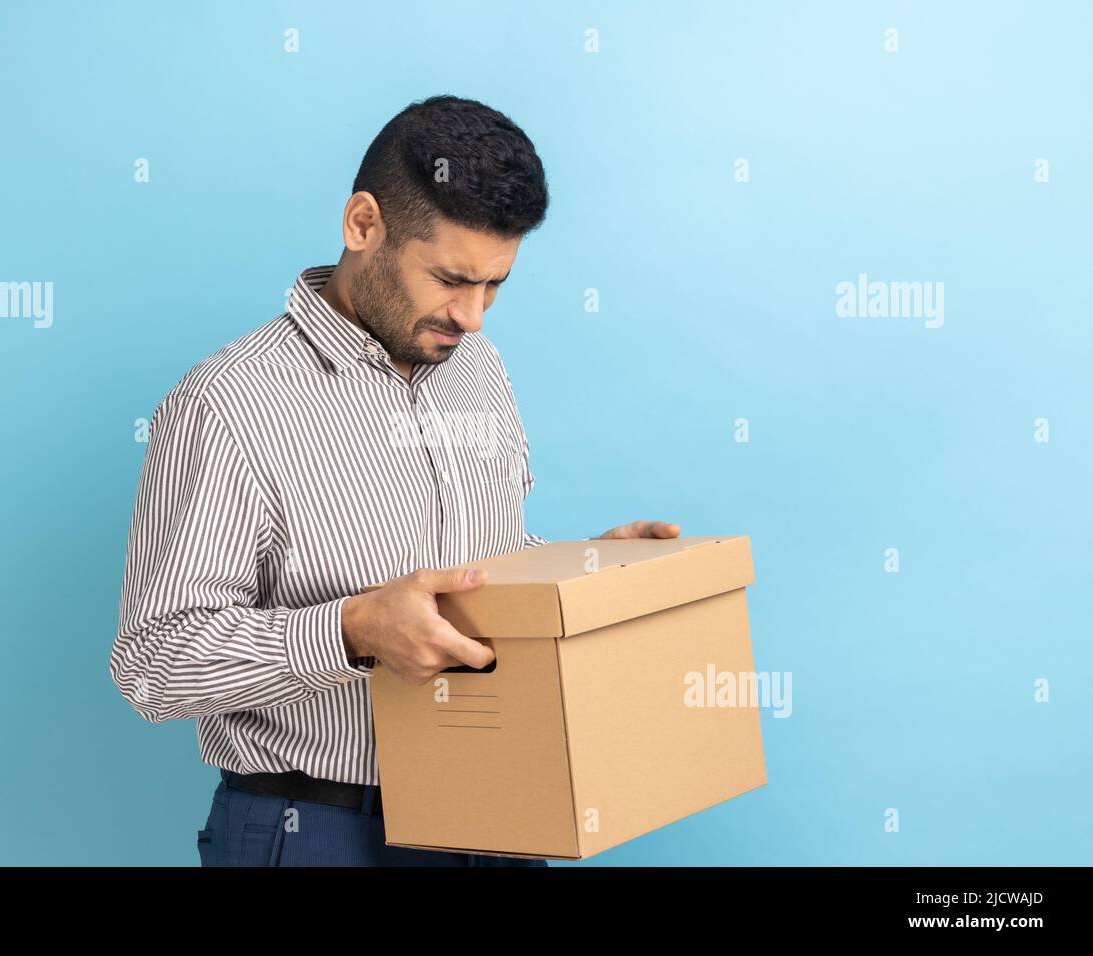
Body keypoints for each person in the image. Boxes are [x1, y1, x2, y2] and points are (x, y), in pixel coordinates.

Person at [110, 94, 681, 866]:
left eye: (495, 286)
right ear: (363, 226)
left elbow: (482, 562)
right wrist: (351, 630)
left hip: (501, 810)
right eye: (451, 278)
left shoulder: (475, 368)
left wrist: (583, 571)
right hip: (316, 828)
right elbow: (153, 662)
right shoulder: (226, 405)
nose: (474, 317)